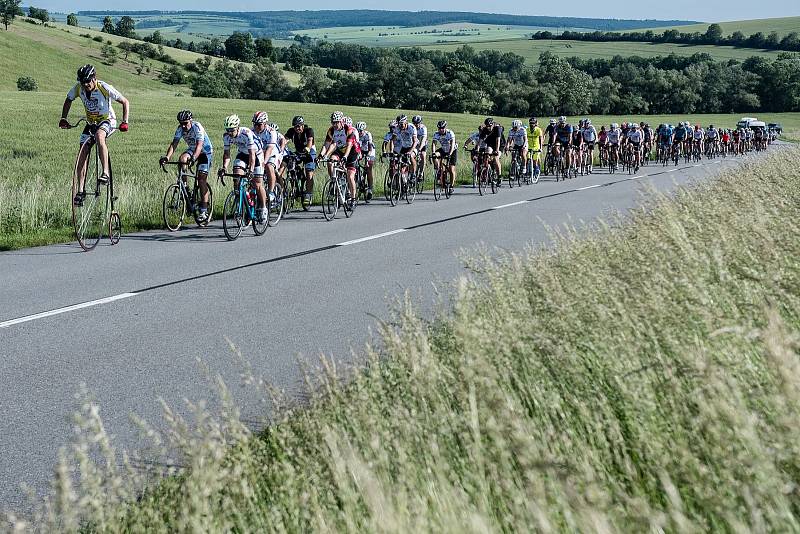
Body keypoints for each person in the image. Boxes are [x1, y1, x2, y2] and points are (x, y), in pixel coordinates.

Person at [60, 64, 130, 206]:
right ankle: (80, 191)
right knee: (82, 151)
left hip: (107, 120)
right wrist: (64, 118)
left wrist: (125, 121)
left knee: (99, 136)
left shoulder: (104, 87)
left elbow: (125, 101)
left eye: (87, 81)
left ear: (94, 78)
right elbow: (68, 99)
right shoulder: (78, 88)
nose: (85, 84)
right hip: (91, 122)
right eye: (82, 81)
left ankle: (105, 173)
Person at [159, 109, 213, 222]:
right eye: (181, 123)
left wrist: (193, 158)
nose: (183, 126)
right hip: (193, 149)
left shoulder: (197, 127)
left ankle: (204, 209)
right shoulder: (180, 129)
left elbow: (199, 146)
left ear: (191, 121)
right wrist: (167, 157)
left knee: (201, 180)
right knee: (182, 159)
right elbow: (174, 144)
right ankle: (185, 187)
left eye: (185, 123)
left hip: (204, 152)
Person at [217, 114, 267, 223]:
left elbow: (252, 155)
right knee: (236, 177)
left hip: (256, 155)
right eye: (228, 130)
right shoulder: (226, 136)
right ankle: (242, 203)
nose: (230, 133)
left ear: (238, 127)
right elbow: (227, 154)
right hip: (242, 154)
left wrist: (251, 170)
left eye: (232, 130)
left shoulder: (246, 133)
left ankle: (263, 208)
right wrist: (224, 168)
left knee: (258, 184)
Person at [319, 111, 360, 206]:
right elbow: (327, 144)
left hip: (352, 152)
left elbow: (349, 145)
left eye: (337, 122)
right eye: (333, 122)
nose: (335, 124)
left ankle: (353, 198)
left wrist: (345, 157)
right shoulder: (331, 131)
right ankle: (334, 181)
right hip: (340, 150)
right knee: (330, 162)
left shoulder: (348, 130)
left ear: (342, 121)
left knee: (350, 176)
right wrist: (322, 155)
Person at [284, 115, 316, 204]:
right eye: (295, 126)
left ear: (303, 125)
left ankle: (308, 194)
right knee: (291, 165)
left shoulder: (308, 131)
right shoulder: (291, 131)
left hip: (309, 152)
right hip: (298, 152)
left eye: (299, 126)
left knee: (309, 172)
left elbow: (310, 141)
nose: (297, 128)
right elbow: (284, 139)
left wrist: (307, 148)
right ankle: (296, 183)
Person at [431, 120, 457, 191]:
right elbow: (434, 144)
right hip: (443, 149)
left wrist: (450, 154)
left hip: (452, 150)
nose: (441, 130)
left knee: (451, 169)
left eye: (442, 128)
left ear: (445, 127)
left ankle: (451, 186)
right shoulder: (436, 134)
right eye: (439, 128)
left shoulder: (450, 133)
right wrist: (433, 152)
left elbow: (452, 144)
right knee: (434, 155)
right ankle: (438, 170)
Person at [478, 117, 503, 183]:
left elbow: (498, 140)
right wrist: (477, 149)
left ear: (492, 124)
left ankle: (499, 176)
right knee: (487, 153)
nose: (488, 128)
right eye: (487, 126)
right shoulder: (485, 129)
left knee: (496, 158)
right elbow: (480, 140)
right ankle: (487, 170)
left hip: (499, 145)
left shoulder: (497, 128)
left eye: (489, 126)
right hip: (490, 144)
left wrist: (497, 150)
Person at [356, 121, 376, 200]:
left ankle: (370, 189)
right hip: (361, 150)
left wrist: (368, 156)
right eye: (358, 130)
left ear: (364, 130)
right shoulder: (356, 134)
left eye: (361, 131)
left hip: (369, 151)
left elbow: (370, 147)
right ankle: (360, 180)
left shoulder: (368, 135)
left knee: (368, 169)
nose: (359, 132)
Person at [412, 115, 428, 182]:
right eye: (414, 123)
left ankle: (421, 173)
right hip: (414, 144)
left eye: (417, 123)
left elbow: (423, 140)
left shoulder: (423, 128)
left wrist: (419, 149)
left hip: (422, 144)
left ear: (420, 123)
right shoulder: (412, 128)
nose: (416, 125)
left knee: (422, 155)